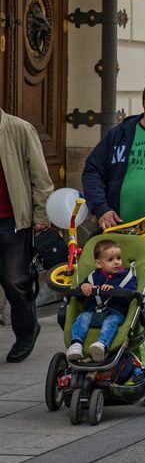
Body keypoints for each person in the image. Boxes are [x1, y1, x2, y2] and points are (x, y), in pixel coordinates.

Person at [82, 79, 145, 400]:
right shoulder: (119, 135)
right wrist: (102, 209)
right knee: (113, 302)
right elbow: (92, 170)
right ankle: (115, 369)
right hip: (118, 240)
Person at [0, 109, 53, 362]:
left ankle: (26, 331)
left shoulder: (19, 128)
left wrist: (42, 215)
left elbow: (40, 177)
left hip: (12, 220)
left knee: (15, 282)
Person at [65, 239, 138, 362]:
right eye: (110, 260)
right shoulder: (93, 276)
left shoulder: (128, 277)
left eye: (118, 258)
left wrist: (115, 290)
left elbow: (130, 296)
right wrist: (84, 288)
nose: (116, 262)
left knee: (111, 322)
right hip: (94, 313)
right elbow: (79, 298)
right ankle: (76, 344)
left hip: (115, 312)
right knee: (82, 318)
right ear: (99, 264)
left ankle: (101, 345)